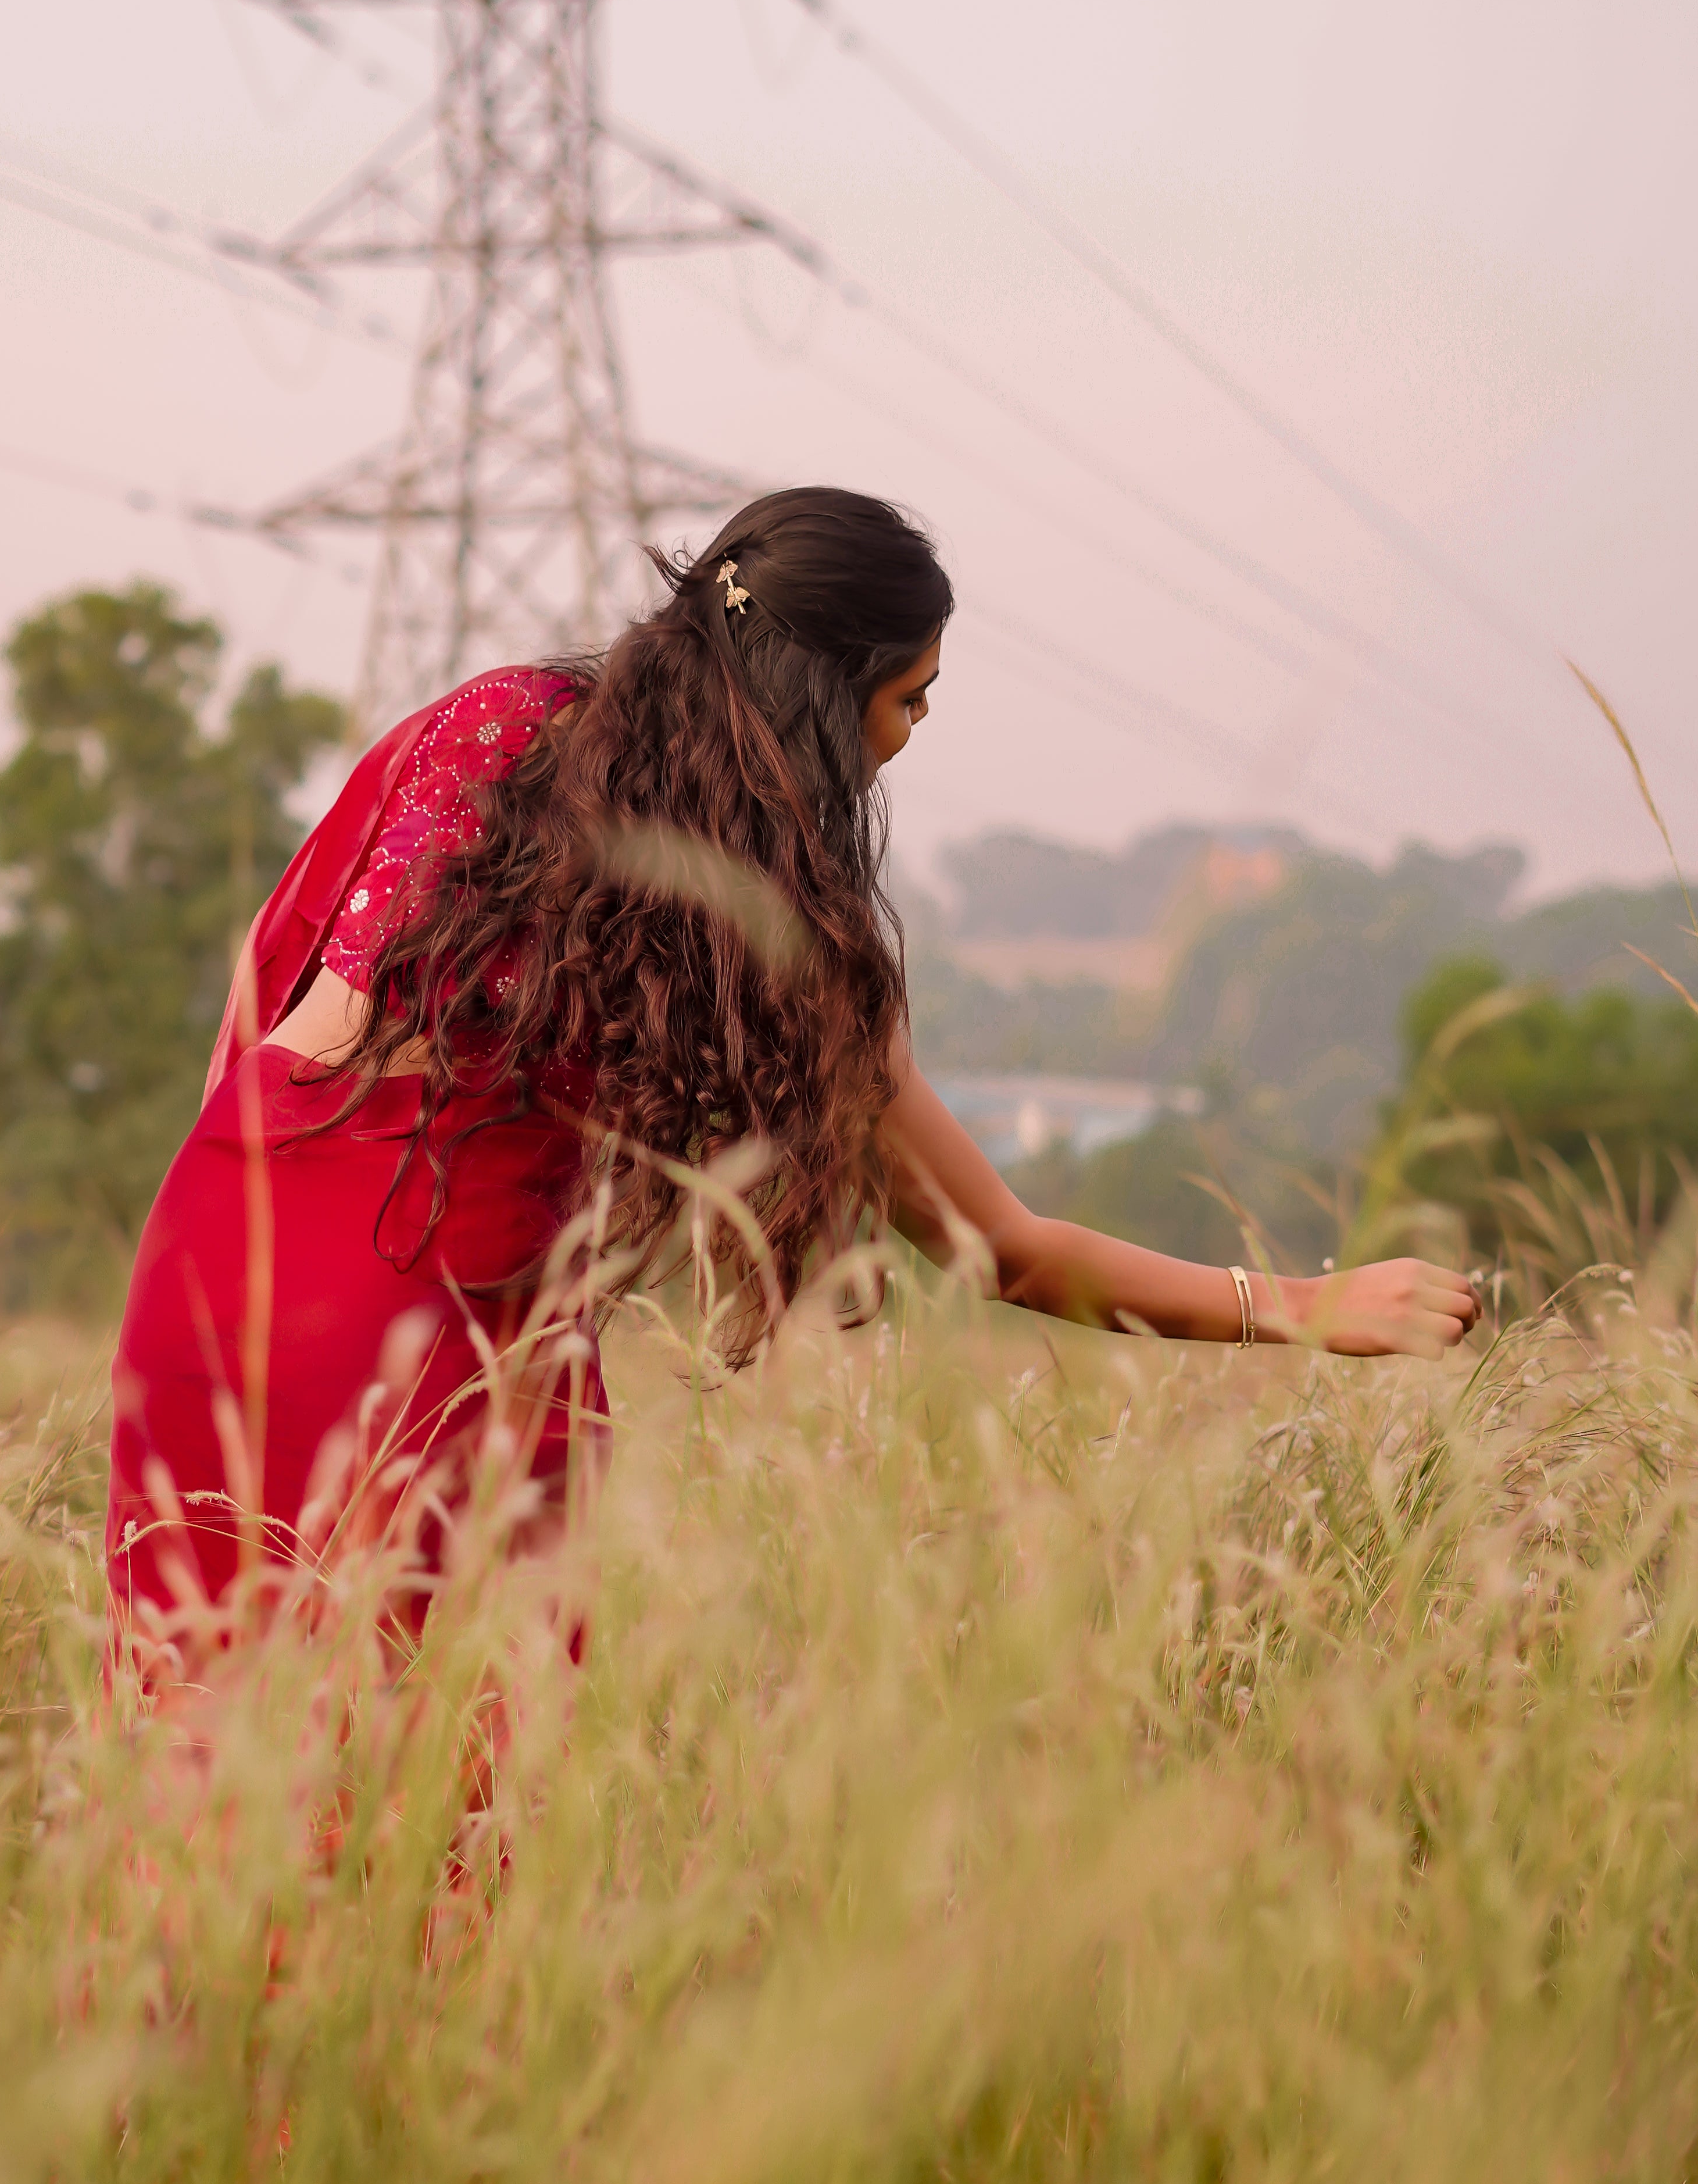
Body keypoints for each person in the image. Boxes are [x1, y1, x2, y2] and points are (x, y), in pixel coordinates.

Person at [106, 487, 1479, 1654]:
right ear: (829, 695)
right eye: (908, 698)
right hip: (434, 1336)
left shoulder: (489, 721)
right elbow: (996, 1248)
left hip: (212, 1267)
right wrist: (1298, 1304)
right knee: (411, 1809)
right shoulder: (772, 912)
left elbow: (264, 984)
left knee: (193, 1758)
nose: (908, 735)